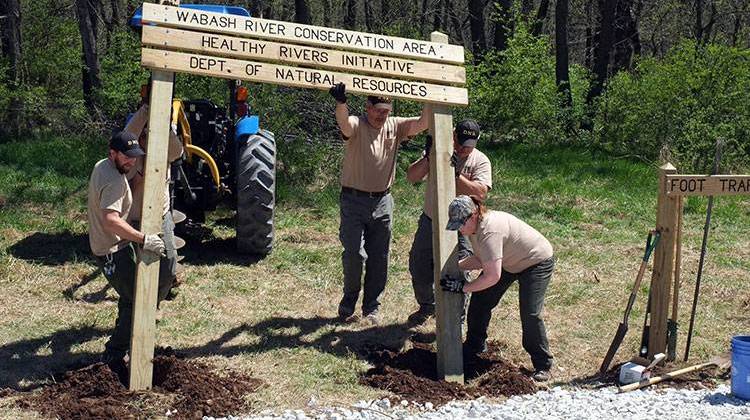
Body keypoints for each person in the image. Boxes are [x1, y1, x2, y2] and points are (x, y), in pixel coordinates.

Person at [329, 82, 430, 325]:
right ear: (368, 107)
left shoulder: (395, 125)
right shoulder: (358, 124)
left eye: (386, 111)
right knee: (354, 252)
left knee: (379, 255)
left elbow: (423, 122)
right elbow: (344, 123)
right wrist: (341, 102)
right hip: (353, 199)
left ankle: (371, 308)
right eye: (377, 110)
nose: (381, 115)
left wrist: (430, 94)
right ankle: (348, 301)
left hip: (383, 201)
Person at [441, 195, 555, 382]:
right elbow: (483, 259)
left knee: (530, 312)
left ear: (473, 215)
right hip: (509, 261)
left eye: (461, 224)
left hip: (536, 261)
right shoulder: (474, 229)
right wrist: (456, 265)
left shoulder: (490, 230)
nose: (460, 229)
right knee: (481, 300)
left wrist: (463, 287)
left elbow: (492, 276)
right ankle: (475, 346)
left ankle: (543, 365)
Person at [86, 131, 172, 378]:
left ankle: (129, 343)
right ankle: (116, 353)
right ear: (112, 153)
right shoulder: (113, 180)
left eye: (135, 157)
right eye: (126, 157)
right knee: (136, 300)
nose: (132, 162)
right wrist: (144, 239)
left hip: (118, 246)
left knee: (131, 297)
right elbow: (111, 221)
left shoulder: (103, 166)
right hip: (111, 251)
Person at [405, 119, 492, 325]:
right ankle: (428, 306)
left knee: (460, 269)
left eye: (469, 146)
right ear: (453, 135)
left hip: (464, 227)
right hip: (431, 219)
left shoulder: (480, 161)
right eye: (460, 143)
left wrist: (456, 175)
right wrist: (428, 158)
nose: (463, 149)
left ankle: (457, 319)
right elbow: (412, 177)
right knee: (419, 265)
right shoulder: (440, 152)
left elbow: (481, 193)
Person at [123, 102, 183, 298]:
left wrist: (162, 121)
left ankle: (154, 302)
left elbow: (177, 151)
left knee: (168, 266)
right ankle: (134, 310)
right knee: (132, 272)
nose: (145, 138)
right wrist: (146, 111)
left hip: (160, 215)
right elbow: (126, 136)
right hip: (133, 219)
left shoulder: (164, 151)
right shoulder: (129, 158)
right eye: (143, 134)